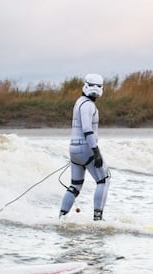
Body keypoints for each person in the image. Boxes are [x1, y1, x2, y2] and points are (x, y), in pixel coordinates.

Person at [59, 73, 110, 221]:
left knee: (75, 185)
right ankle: (98, 219)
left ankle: (61, 217)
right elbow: (87, 130)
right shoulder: (88, 105)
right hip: (86, 148)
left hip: (74, 149)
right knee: (104, 180)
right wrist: (96, 152)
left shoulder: (79, 102)